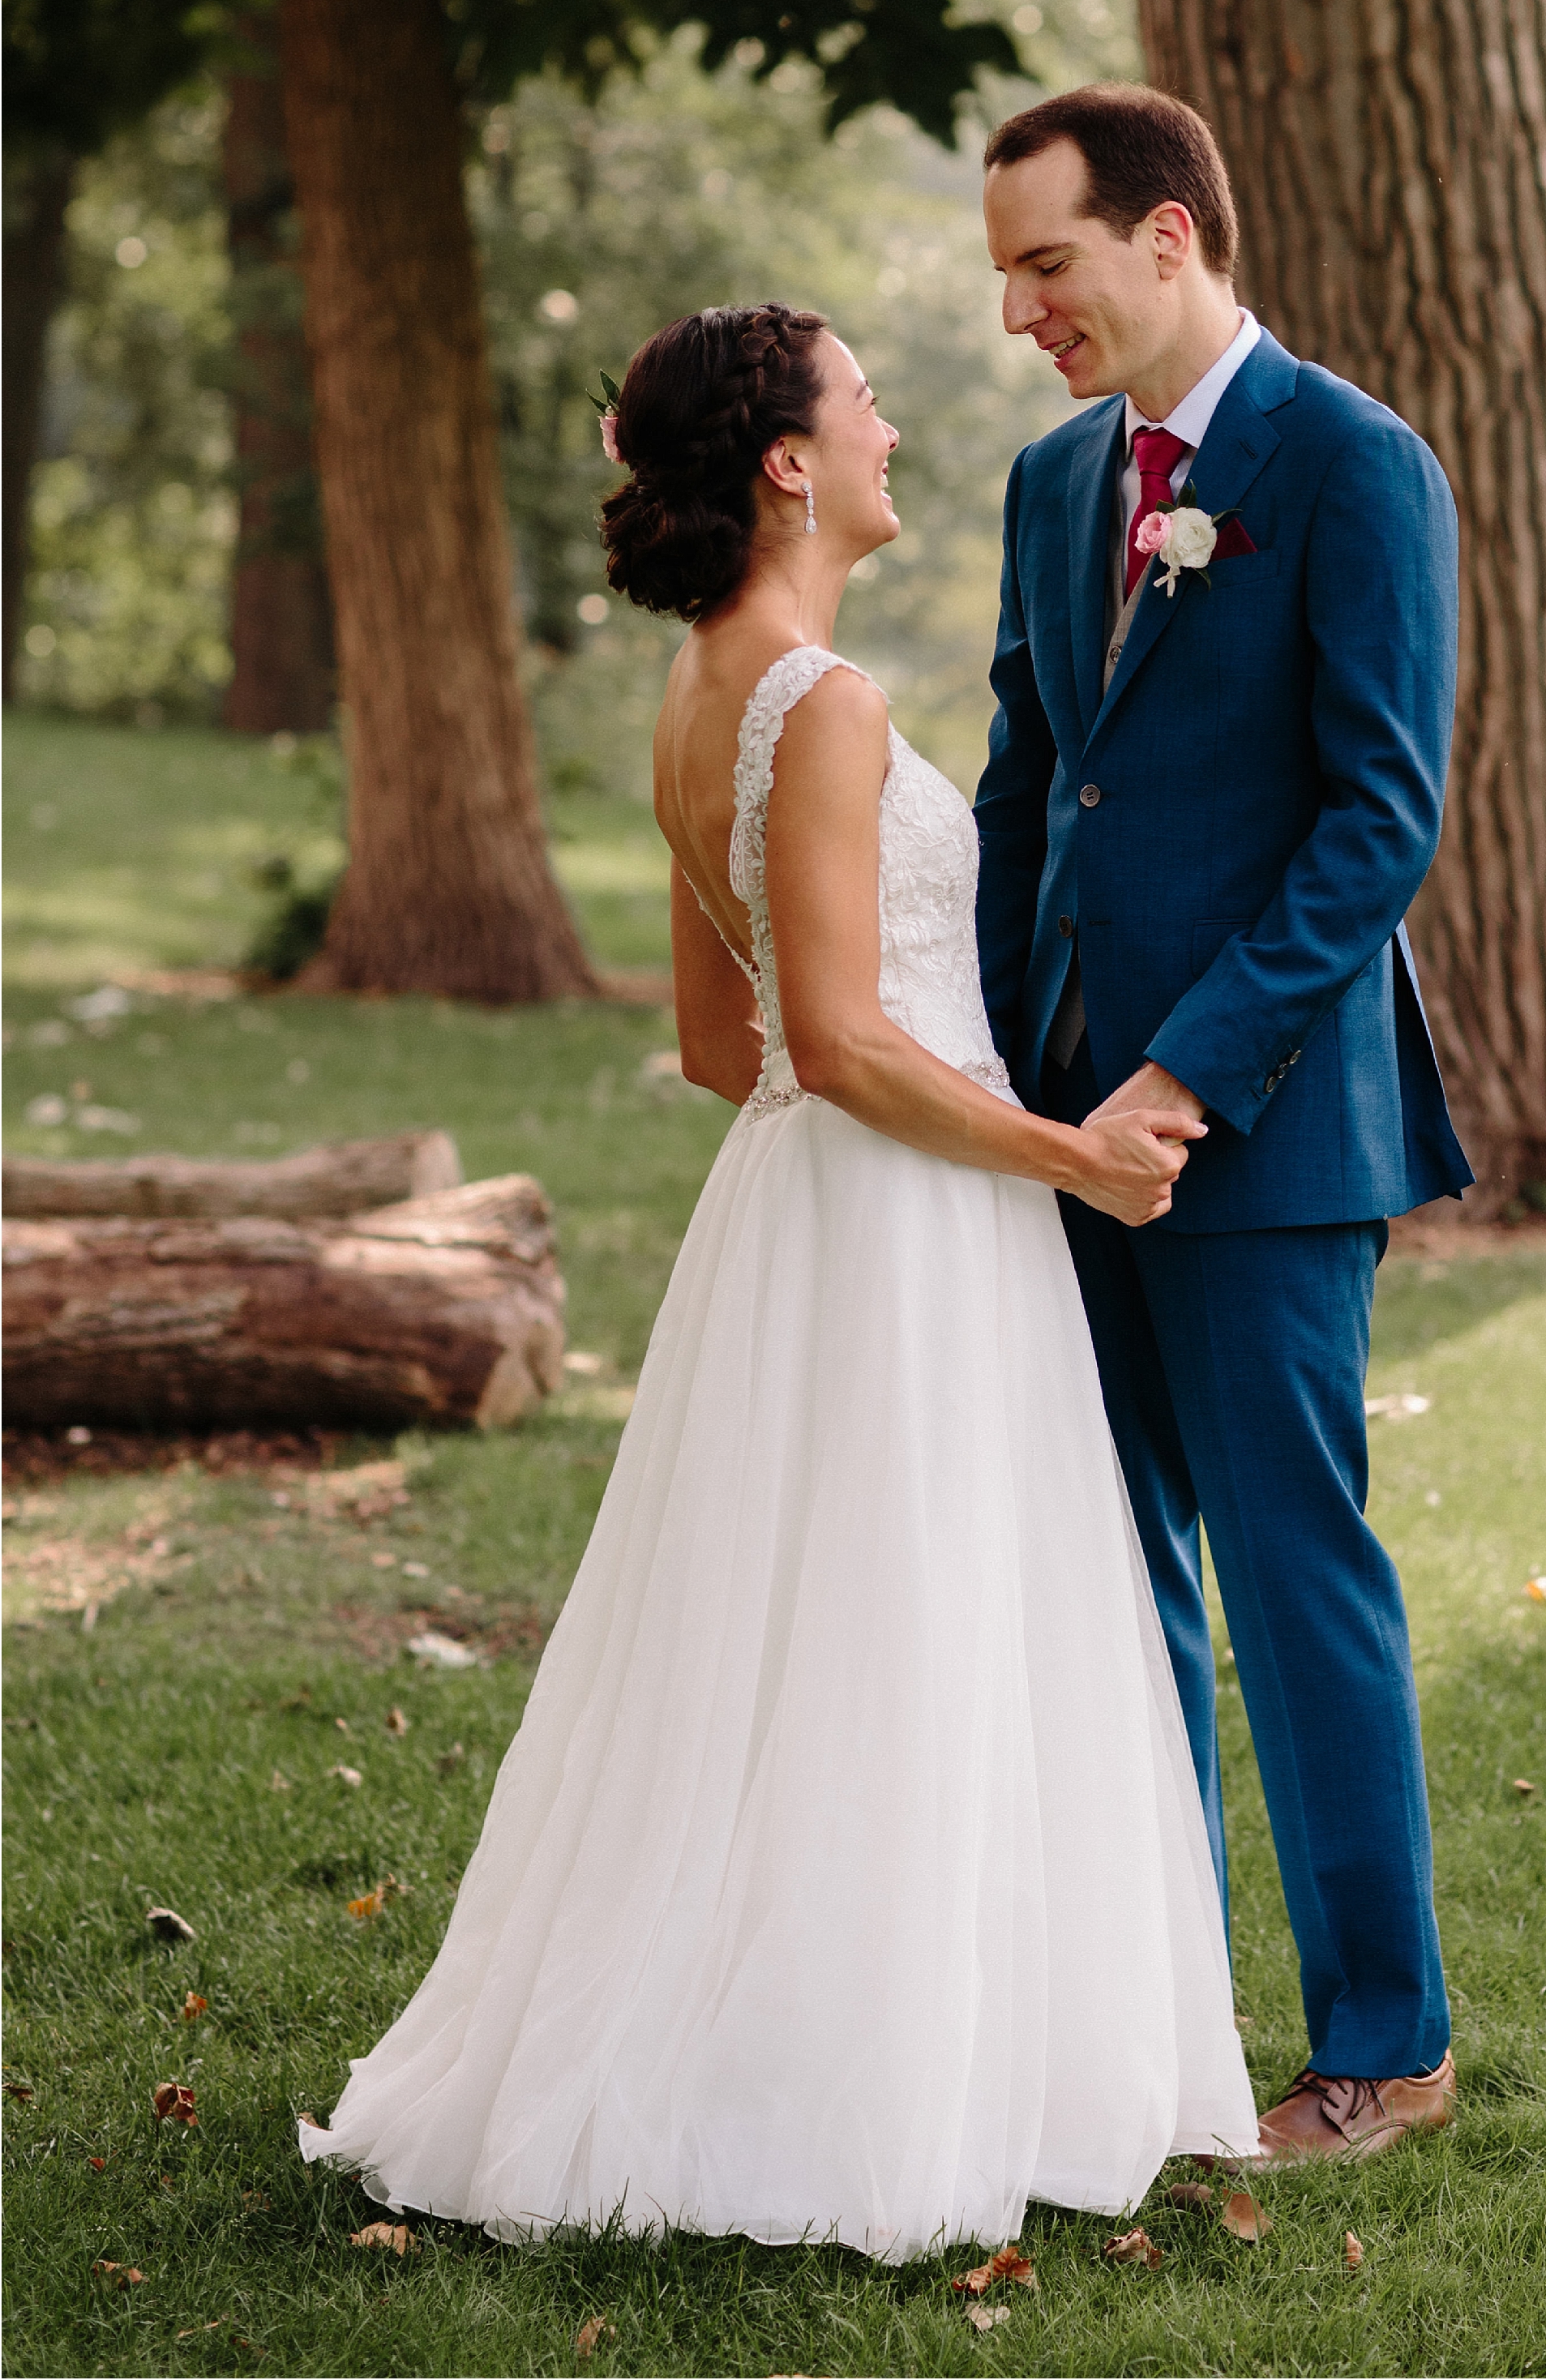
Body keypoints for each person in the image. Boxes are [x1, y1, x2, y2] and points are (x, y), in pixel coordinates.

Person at [298, 300, 1259, 2261]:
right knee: (898, 1623)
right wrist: (1060, 1151)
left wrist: (878, 1139)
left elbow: (714, 1047)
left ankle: (814, 2024)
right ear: (788, 463)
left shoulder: (700, 693)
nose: (894, 421)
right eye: (862, 396)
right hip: (896, 1213)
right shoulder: (812, 700)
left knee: (802, 1635)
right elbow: (820, 1037)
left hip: (809, 1219)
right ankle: (863, 2088)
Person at [974, 87, 1474, 2164]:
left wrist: (1185, 1067)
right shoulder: (1041, 481)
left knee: (1292, 1572)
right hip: (1056, 1119)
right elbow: (1026, 781)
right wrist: (1001, 1075)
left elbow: (1380, 817)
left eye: (1046, 264)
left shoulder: (1352, 465)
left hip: (1258, 1126)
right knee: (1113, 1576)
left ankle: (1386, 2037)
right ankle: (1161, 2020)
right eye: (1005, 275)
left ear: (1165, 237)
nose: (1020, 313)